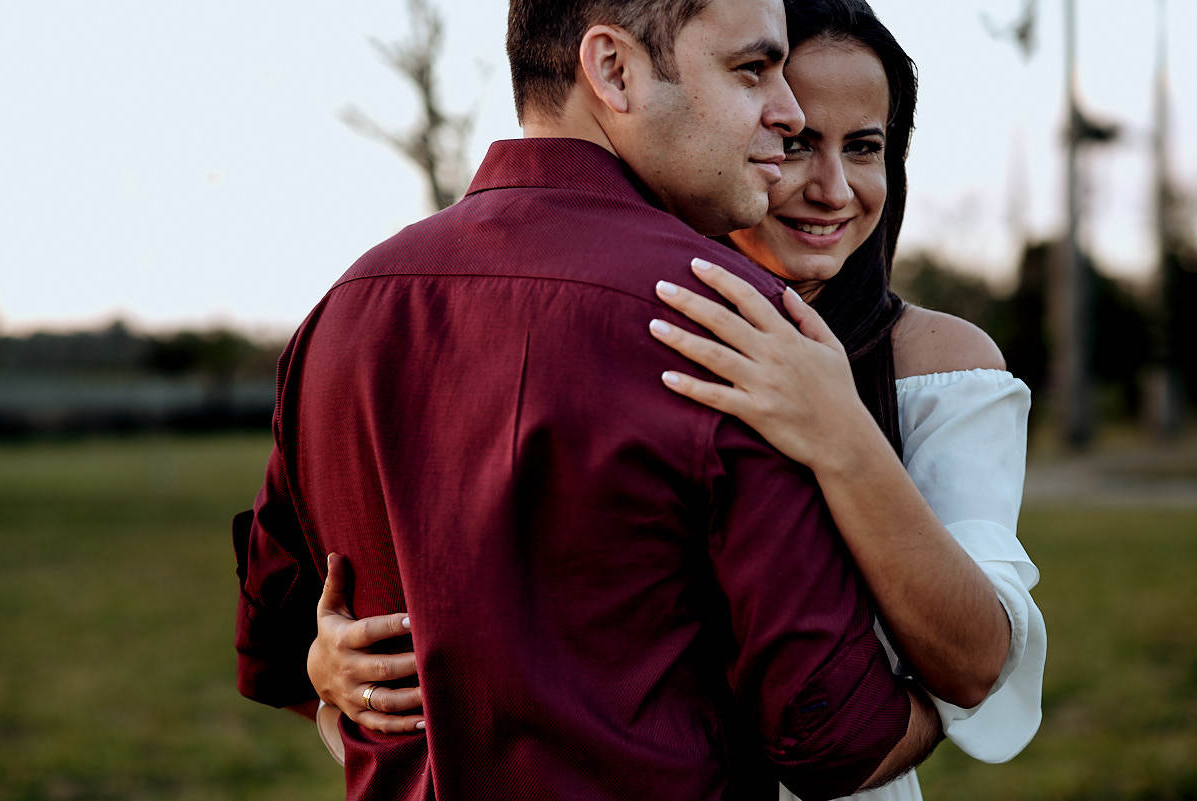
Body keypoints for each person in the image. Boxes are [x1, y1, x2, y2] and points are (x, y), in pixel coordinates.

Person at [304, 2, 1047, 800]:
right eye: (796, 141)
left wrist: (841, 429)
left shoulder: (941, 366)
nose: (831, 188)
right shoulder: (640, 322)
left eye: (865, 147)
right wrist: (332, 677)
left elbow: (976, 662)